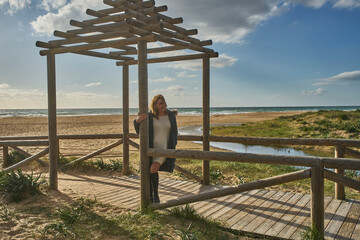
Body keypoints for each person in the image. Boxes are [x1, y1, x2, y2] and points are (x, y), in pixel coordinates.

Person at [134, 94, 178, 203]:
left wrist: (173, 145)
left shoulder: (171, 116)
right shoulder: (150, 116)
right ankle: (150, 196)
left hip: (164, 149)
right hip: (151, 149)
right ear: (155, 105)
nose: (163, 105)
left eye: (164, 102)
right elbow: (139, 131)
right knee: (149, 172)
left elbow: (175, 132)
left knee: (153, 169)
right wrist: (137, 121)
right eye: (160, 103)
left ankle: (156, 197)